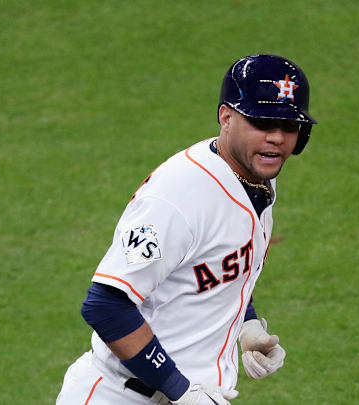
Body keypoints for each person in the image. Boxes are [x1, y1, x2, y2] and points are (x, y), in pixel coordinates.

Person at [55, 54, 317, 405]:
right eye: (263, 122)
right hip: (123, 396)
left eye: (288, 127)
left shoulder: (257, 179)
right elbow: (106, 305)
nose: (276, 138)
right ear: (226, 117)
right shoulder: (178, 197)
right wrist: (182, 391)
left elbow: (217, 266)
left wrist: (247, 324)